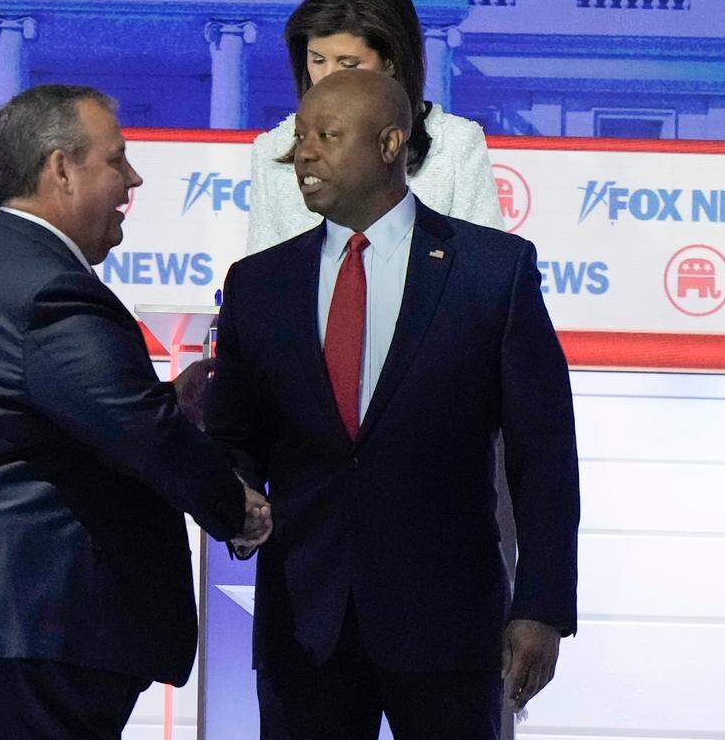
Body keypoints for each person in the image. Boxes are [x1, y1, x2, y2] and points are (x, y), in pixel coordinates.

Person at [0, 84, 271, 740]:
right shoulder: (48, 285)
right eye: (117, 160)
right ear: (61, 170)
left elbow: (83, 418)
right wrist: (237, 508)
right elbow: (137, 430)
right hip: (14, 617)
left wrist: (169, 405)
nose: (133, 178)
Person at [206, 69, 579, 739]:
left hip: (448, 629)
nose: (305, 154)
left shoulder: (492, 272)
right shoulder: (259, 284)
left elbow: (544, 453)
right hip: (305, 624)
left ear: (388, 143)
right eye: (300, 137)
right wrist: (230, 495)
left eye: (327, 135)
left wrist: (543, 606)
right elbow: (235, 433)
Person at [247, 0, 504, 256]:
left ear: (391, 61)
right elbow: (261, 282)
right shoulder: (272, 150)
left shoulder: (455, 145)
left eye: (349, 64)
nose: (329, 78)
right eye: (318, 60)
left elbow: (487, 272)